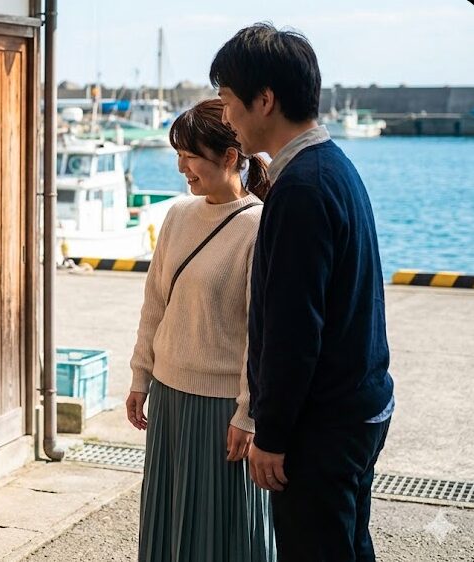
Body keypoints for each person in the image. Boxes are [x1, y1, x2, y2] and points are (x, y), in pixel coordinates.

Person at [209, 23, 395, 562]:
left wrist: (273, 433)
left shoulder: (302, 188)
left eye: (227, 101)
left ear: (264, 100)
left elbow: (294, 328)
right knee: (347, 545)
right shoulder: (332, 167)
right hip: (358, 406)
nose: (225, 117)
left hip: (323, 423)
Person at [126, 98, 275, 562]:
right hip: (170, 396)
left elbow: (261, 333)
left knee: (224, 533)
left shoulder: (259, 226)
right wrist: (139, 377)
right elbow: (155, 304)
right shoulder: (177, 216)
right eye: (179, 155)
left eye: (190, 156)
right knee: (171, 524)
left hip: (222, 411)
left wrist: (248, 414)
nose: (181, 168)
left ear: (229, 156)